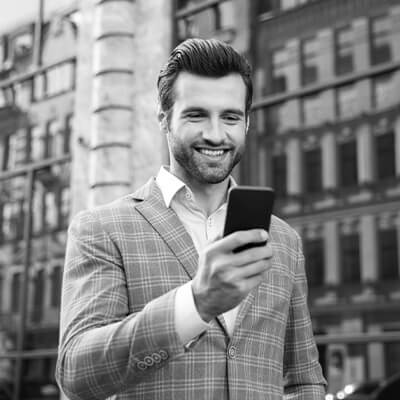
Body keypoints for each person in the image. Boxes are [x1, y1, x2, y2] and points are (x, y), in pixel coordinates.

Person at [56, 38, 327, 399]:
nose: (215, 134)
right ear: (163, 117)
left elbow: (305, 379)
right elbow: (77, 373)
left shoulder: (283, 240)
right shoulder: (102, 228)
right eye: (196, 114)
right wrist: (195, 303)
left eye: (230, 117)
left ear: (247, 123)